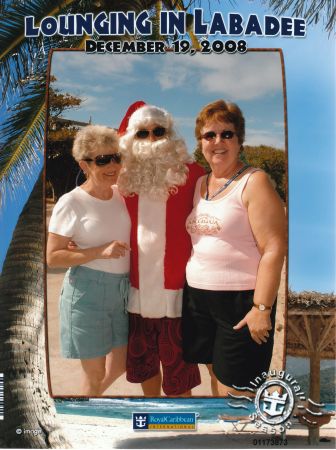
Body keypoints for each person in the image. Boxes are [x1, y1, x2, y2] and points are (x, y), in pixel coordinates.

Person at [182, 100, 286, 396]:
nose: (218, 141)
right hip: (198, 299)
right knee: (215, 373)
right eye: (209, 135)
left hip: (241, 302)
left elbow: (275, 248)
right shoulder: (201, 183)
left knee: (238, 388)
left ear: (239, 140)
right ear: (200, 141)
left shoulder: (255, 182)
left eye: (226, 134)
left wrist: (261, 308)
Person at [118, 101, 204, 396]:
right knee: (145, 367)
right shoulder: (121, 175)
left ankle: (182, 430)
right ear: (132, 138)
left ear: (170, 134)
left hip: (177, 292)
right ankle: (156, 423)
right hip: (137, 290)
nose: (152, 139)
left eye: (159, 131)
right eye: (143, 133)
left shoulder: (193, 174)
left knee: (179, 374)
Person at [47, 125, 130, 396]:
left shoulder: (122, 195)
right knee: (94, 374)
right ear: (84, 164)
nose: (112, 165)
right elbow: (53, 257)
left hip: (123, 292)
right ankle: (83, 419)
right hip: (87, 294)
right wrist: (98, 251)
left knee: (120, 366)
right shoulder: (71, 202)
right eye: (102, 160)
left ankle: (80, 406)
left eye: (116, 157)